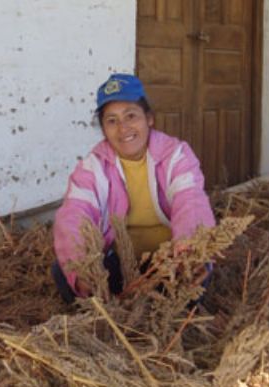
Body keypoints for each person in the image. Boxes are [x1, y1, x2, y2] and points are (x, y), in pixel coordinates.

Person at [52, 73, 216, 303]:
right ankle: (109, 311)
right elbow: (74, 213)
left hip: (168, 261)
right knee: (65, 270)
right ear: (103, 129)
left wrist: (188, 250)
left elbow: (190, 201)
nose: (123, 128)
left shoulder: (175, 155)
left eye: (131, 116)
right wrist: (83, 265)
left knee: (195, 270)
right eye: (112, 121)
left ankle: (171, 309)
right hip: (119, 264)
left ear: (149, 118)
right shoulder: (93, 166)